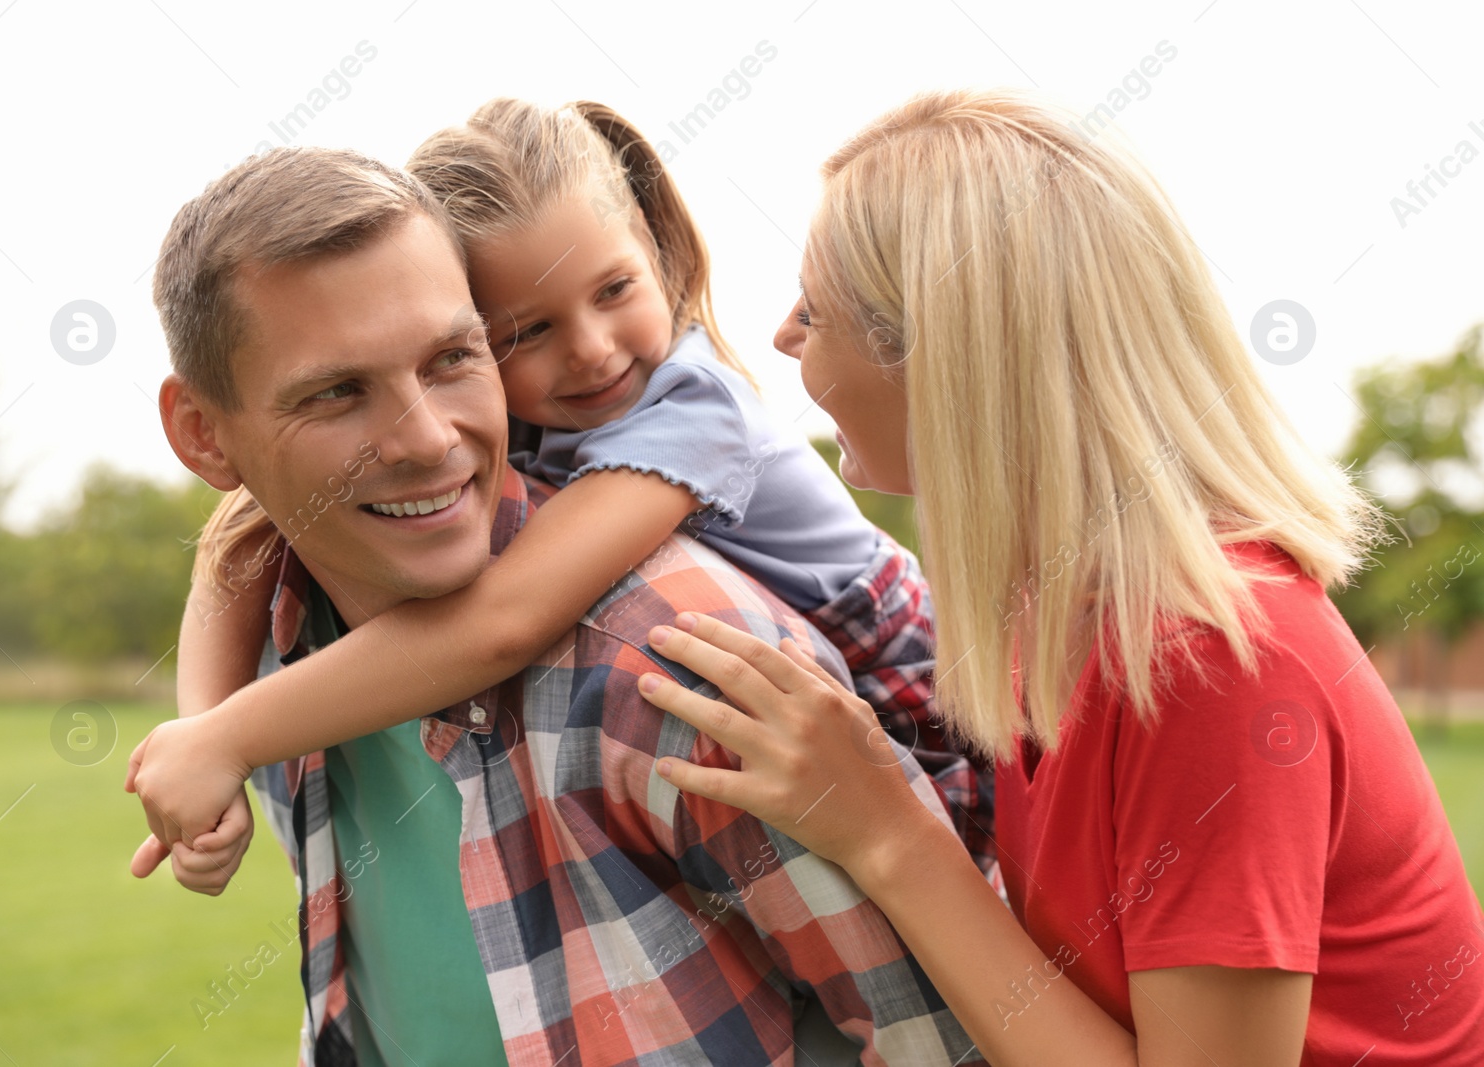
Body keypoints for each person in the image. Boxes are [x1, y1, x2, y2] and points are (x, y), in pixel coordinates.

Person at [632, 89, 1484, 1065]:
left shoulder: (1209, 657)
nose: (782, 336)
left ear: (947, 358)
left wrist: (887, 831)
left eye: (815, 306)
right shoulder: (1054, 615)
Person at [131, 143, 980, 1065]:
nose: (424, 437)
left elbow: (949, 1042)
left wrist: (222, 736)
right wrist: (204, 732)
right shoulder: (291, 634)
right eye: (339, 391)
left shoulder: (682, 667)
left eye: (451, 356)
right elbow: (232, 543)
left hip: (937, 717)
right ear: (203, 435)